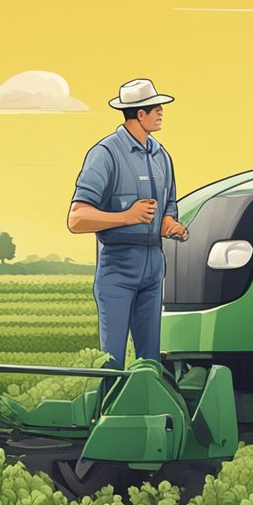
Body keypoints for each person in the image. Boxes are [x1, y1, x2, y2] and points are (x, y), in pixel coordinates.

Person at [68, 78, 188, 371]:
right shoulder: (105, 154)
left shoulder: (162, 156)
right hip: (117, 270)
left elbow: (167, 209)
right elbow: (76, 219)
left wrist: (170, 225)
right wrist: (126, 217)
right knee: (112, 362)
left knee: (150, 362)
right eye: (154, 108)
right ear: (138, 114)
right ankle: (108, 411)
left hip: (153, 268)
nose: (161, 112)